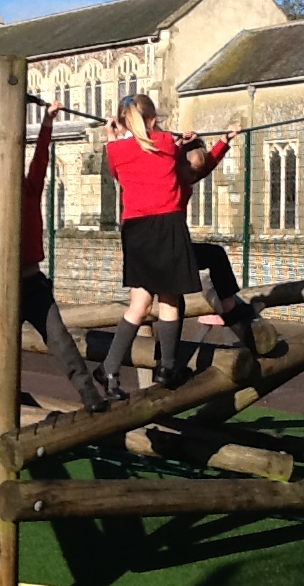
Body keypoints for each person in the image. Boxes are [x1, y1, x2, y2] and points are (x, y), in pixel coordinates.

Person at [0, 99, 108, 413]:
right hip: (5, 287)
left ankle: (89, 393)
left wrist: (47, 122)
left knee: (60, 340)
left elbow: (40, 159)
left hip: (33, 283)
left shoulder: (29, 189)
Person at [97, 94, 201, 398]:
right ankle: (167, 367)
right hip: (167, 224)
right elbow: (183, 159)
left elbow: (119, 173)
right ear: (153, 120)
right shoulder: (168, 143)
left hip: (137, 229)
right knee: (169, 299)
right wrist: (192, 142)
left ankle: (110, 368)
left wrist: (113, 138)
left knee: (139, 305)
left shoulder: (116, 150)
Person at [175, 130, 275, 350]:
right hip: (168, 244)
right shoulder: (174, 177)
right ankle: (230, 310)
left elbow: (206, 166)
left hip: (173, 243)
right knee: (213, 257)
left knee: (215, 255)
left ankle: (230, 309)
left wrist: (224, 141)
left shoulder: (184, 175)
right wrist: (178, 144)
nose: (196, 175)